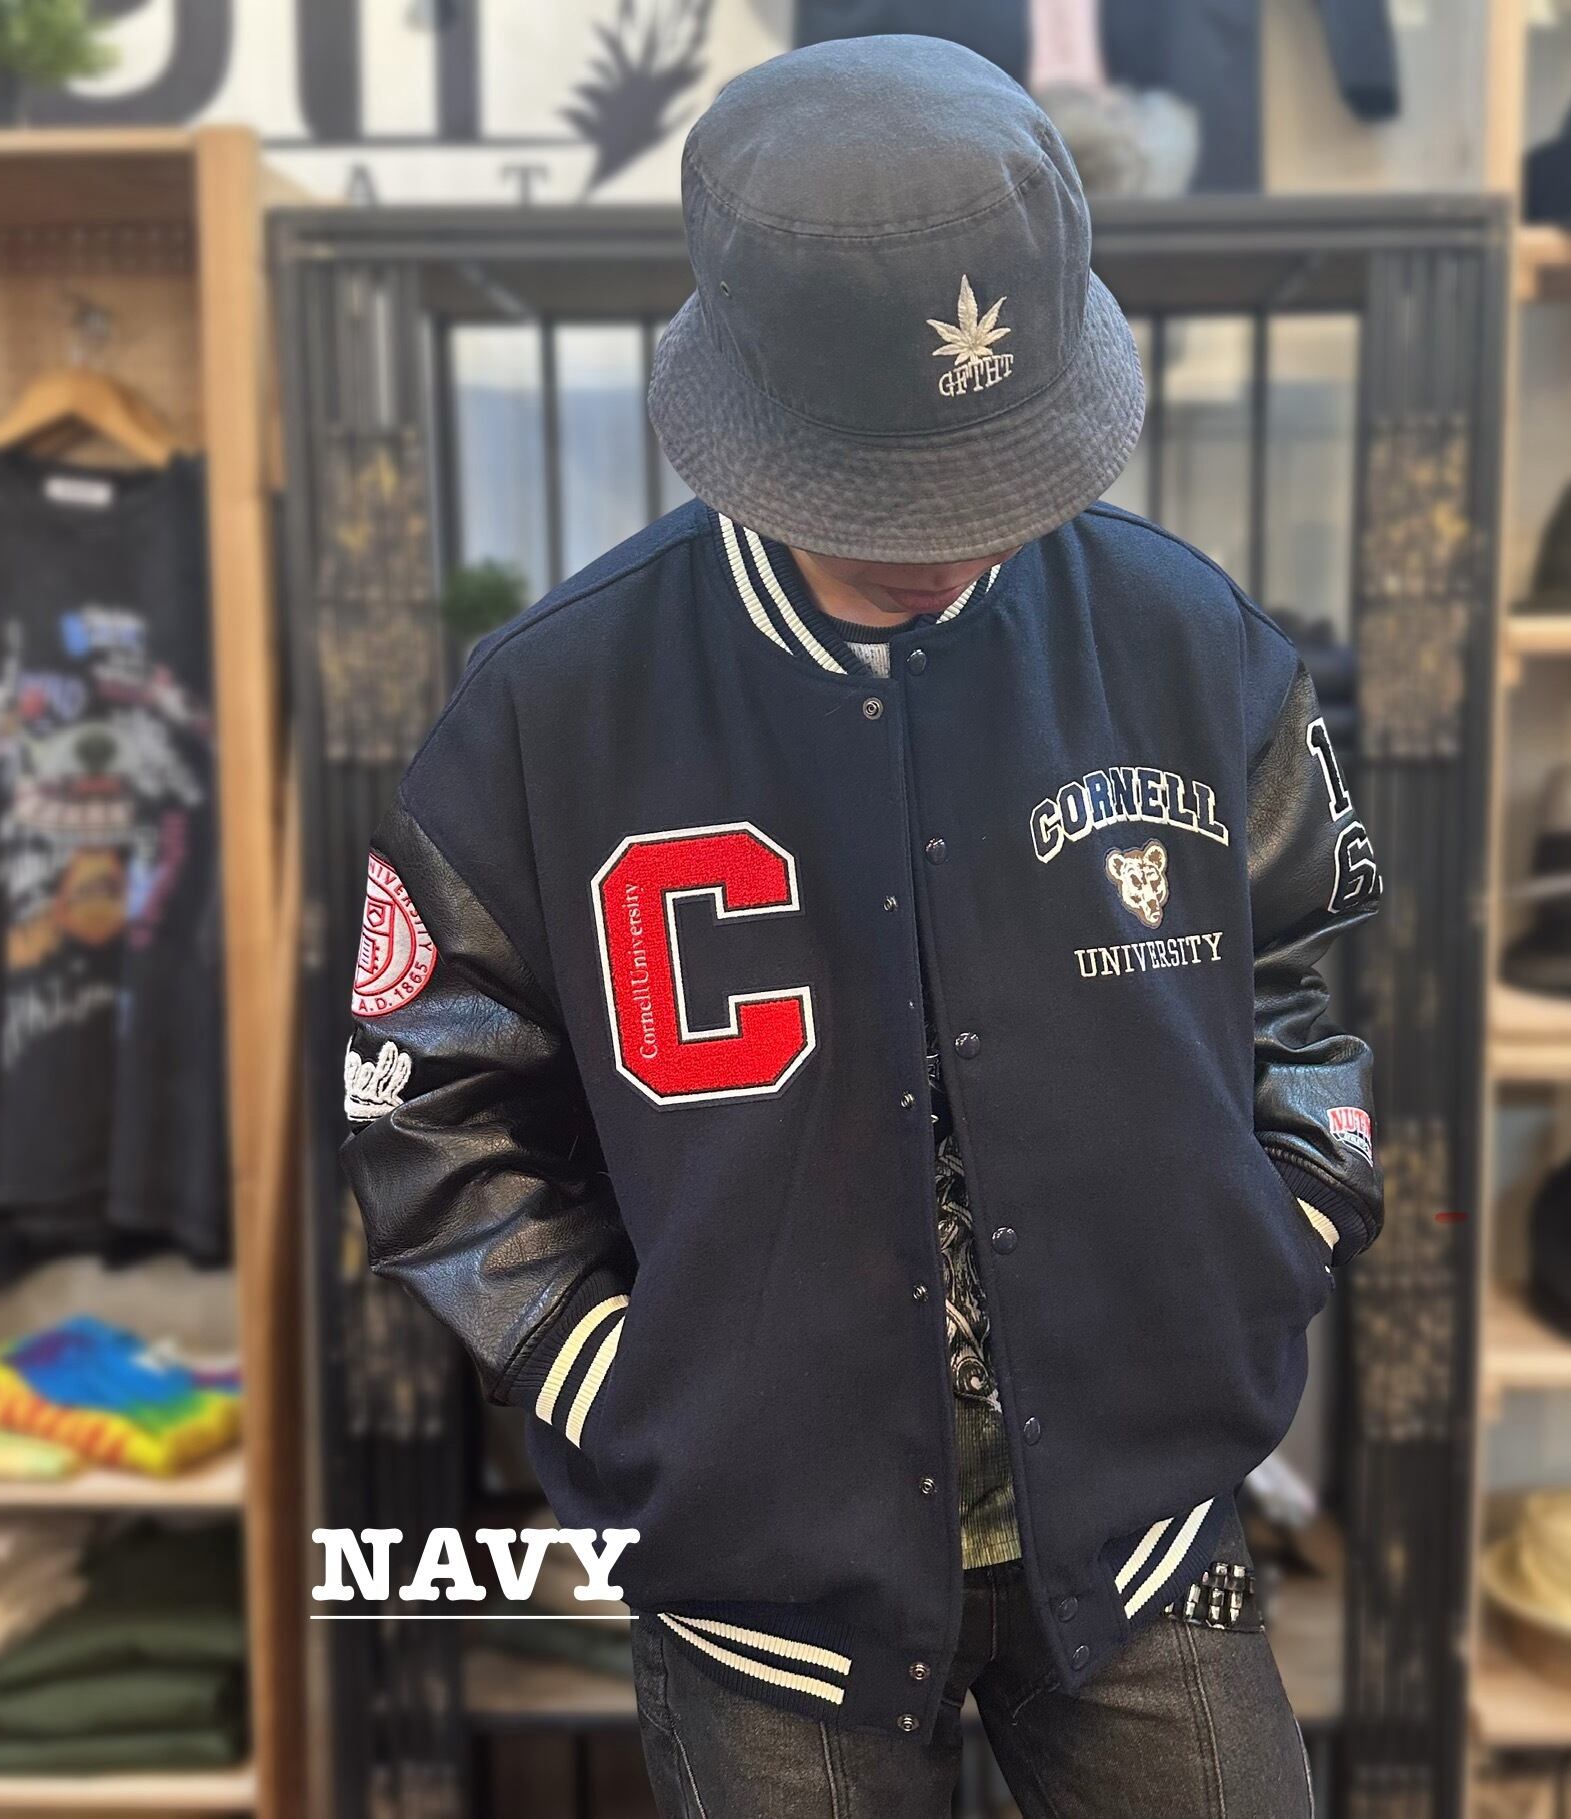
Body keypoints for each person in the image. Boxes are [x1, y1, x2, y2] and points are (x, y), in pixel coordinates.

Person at [340, 32, 1383, 1819]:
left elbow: (1306, 971)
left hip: (1146, 1536)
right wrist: (627, 1383)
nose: (951, 545)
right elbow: (424, 1095)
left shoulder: (1187, 642)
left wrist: (1268, 1238)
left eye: (1000, 482)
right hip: (762, 1592)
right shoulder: (549, 709)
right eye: (888, 493)